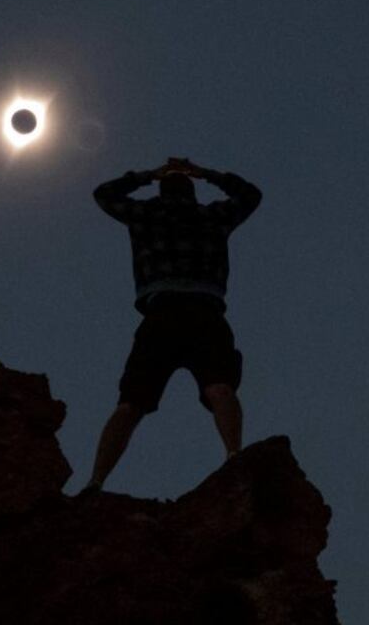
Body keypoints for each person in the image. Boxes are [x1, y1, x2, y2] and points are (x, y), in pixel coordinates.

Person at [84, 157, 262, 494]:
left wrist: (147, 174)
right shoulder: (211, 217)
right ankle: (234, 454)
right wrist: (206, 172)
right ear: (192, 192)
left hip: (161, 313)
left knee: (131, 403)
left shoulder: (147, 215)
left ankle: (96, 481)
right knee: (220, 387)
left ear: (163, 190)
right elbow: (250, 195)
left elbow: (104, 194)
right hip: (205, 312)